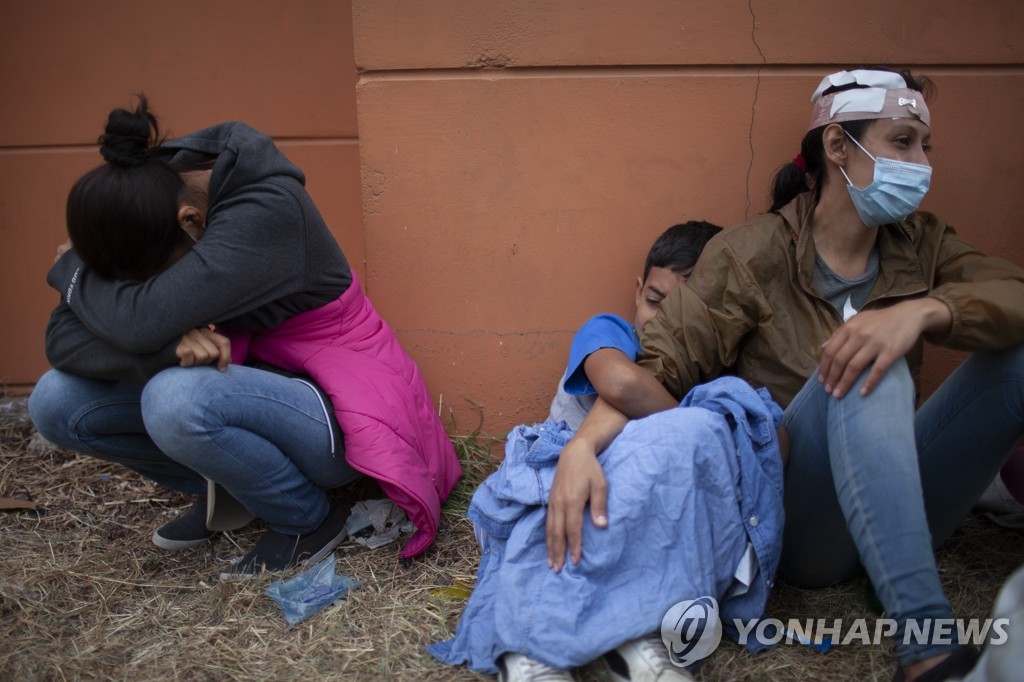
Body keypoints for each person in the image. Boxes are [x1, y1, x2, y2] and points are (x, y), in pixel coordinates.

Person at [546, 69, 1024, 682]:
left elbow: (1013, 293)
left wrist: (923, 310)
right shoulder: (754, 252)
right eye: (902, 142)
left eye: (924, 146)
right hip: (806, 526)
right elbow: (656, 364)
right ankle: (925, 648)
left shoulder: (923, 244)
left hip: (907, 504)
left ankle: (902, 571)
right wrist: (583, 446)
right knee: (862, 363)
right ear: (837, 147)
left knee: (1015, 361)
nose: (922, 162)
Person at [28, 96, 462, 575]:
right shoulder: (150, 197)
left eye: (149, 280)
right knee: (56, 399)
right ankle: (236, 487)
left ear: (191, 222)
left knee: (175, 399)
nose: (141, 291)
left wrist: (69, 269)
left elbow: (137, 321)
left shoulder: (265, 214)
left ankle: (305, 520)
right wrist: (166, 346)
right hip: (246, 383)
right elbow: (62, 336)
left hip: (332, 405)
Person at [431, 221, 789, 681]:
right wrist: (700, 428)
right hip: (566, 500)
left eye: (682, 312)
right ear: (638, 290)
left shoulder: (715, 371)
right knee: (698, 437)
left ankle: (638, 638)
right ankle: (537, 647)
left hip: (649, 525)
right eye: (656, 301)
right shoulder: (613, 332)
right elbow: (621, 384)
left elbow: (770, 445)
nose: (661, 322)